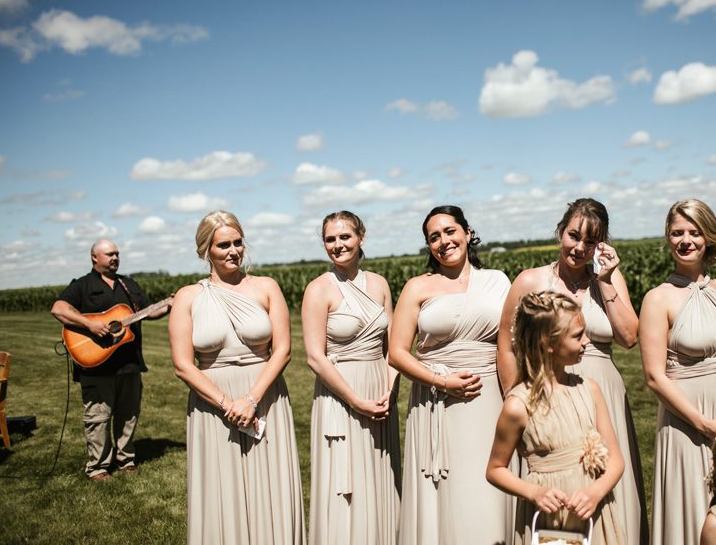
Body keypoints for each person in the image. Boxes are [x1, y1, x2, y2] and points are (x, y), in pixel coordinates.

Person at [496, 198, 648, 544]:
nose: (580, 247)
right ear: (560, 233)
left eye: (590, 241)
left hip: (601, 391)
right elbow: (506, 343)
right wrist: (517, 398)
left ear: (601, 244)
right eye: (573, 236)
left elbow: (628, 337)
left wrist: (606, 280)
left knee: (610, 478)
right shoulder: (530, 280)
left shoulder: (608, 279)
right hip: (546, 395)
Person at [168, 210, 305, 544]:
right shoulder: (188, 297)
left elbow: (283, 350)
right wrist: (229, 404)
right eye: (223, 245)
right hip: (213, 405)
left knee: (271, 483)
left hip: (266, 395)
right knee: (221, 486)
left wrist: (251, 399)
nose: (233, 251)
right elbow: (183, 365)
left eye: (237, 242)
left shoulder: (267, 287)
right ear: (205, 251)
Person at [389, 205, 513, 544]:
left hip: (490, 398)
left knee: (486, 489)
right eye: (434, 237)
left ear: (468, 232)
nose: (444, 241)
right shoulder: (417, 287)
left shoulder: (498, 281)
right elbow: (397, 353)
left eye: (449, 231)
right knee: (445, 490)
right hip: (436, 401)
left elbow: (512, 343)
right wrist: (441, 381)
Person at [639, 199, 716, 545]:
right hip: (686, 423)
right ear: (668, 238)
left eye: (694, 232)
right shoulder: (658, 299)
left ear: (709, 236)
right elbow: (653, 376)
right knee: (693, 508)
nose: (685, 240)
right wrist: (704, 424)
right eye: (677, 233)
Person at [488, 291, 626, 545]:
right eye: (577, 335)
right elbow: (495, 470)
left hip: (594, 513)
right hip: (549, 521)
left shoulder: (590, 389)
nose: (586, 340)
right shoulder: (518, 406)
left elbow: (616, 460)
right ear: (547, 343)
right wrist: (534, 492)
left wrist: (595, 493)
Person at [302, 210, 401, 544]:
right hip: (341, 394)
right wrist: (356, 400)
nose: (337, 245)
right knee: (347, 484)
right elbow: (315, 357)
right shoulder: (318, 289)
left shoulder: (380, 284)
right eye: (330, 239)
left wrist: (390, 390)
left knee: (380, 472)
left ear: (361, 237)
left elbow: (392, 347)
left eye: (345, 236)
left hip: (380, 390)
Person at [51, 239, 171, 480]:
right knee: (99, 417)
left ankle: (125, 459)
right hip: (97, 364)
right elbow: (59, 308)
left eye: (117, 253)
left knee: (129, 414)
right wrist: (90, 325)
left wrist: (170, 304)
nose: (115, 258)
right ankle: (98, 467)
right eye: (110, 254)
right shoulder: (82, 285)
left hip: (130, 362)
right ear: (95, 257)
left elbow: (149, 311)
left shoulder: (128, 284)